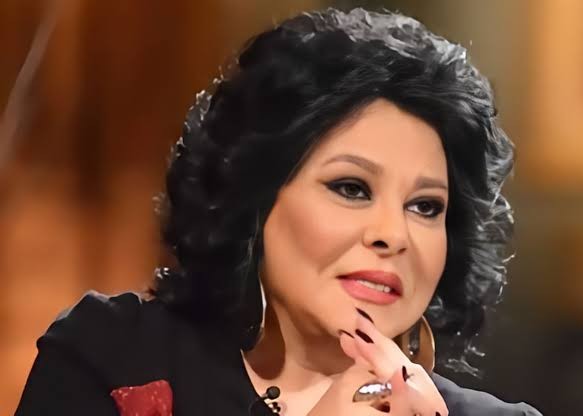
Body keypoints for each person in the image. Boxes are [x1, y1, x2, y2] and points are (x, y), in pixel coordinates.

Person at [15, 7, 542, 416]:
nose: (393, 233)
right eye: (351, 188)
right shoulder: (109, 357)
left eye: (426, 206)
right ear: (255, 197)